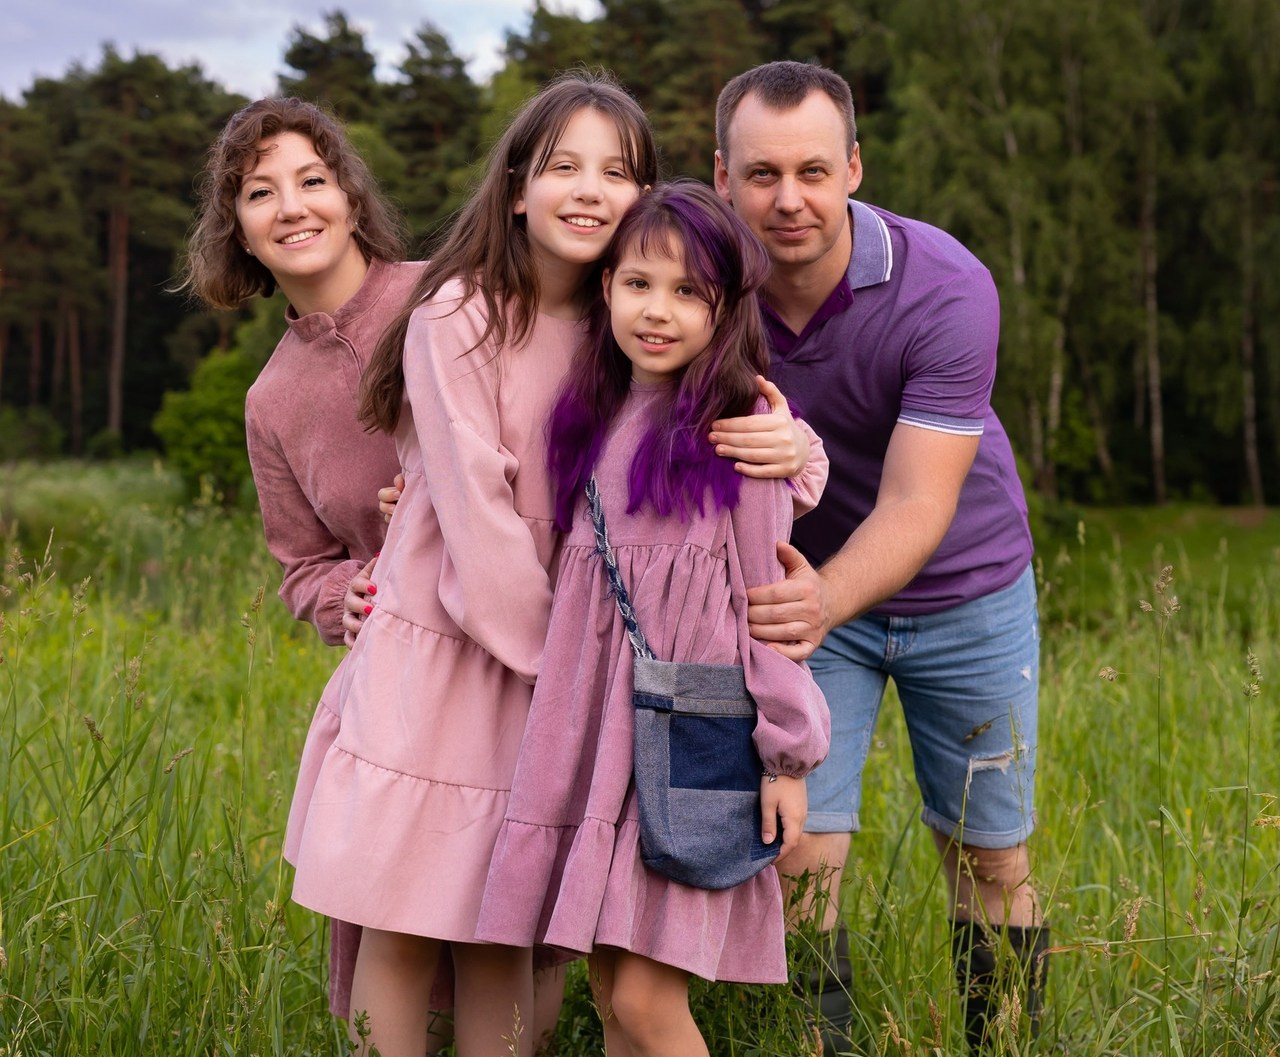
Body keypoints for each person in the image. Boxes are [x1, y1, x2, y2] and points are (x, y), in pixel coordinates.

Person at [283, 76, 822, 1057]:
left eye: (615, 170)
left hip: (577, 667)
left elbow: (728, 437)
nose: (587, 188)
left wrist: (800, 452)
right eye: (562, 164)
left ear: (645, 199)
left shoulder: (630, 325)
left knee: (509, 922)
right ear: (517, 185)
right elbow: (479, 516)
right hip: (461, 651)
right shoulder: (461, 313)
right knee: (404, 909)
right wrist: (561, 668)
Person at [711, 61, 1045, 1054]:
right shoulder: (694, 284)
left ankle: (1009, 1042)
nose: (788, 199)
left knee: (986, 854)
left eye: (812, 169)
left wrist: (820, 601)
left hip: (962, 586)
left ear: (852, 166)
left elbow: (915, 500)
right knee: (799, 852)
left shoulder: (944, 286)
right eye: (760, 172)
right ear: (719, 176)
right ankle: (826, 1047)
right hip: (802, 594)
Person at [478, 182, 830, 1057]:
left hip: (688, 741)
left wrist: (786, 759)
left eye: (687, 294)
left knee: (641, 999)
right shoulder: (587, 417)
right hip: (592, 738)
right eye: (639, 284)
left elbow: (766, 607)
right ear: (606, 290)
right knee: (609, 992)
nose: (658, 312)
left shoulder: (739, 429)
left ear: (725, 309)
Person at [182, 95, 435, 1029]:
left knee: (502, 935)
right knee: (388, 927)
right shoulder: (271, 401)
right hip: (393, 691)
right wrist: (349, 598)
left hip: (513, 656)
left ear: (352, 199)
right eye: (260, 193)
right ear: (238, 232)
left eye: (312, 181)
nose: (291, 207)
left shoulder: (442, 295)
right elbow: (302, 566)